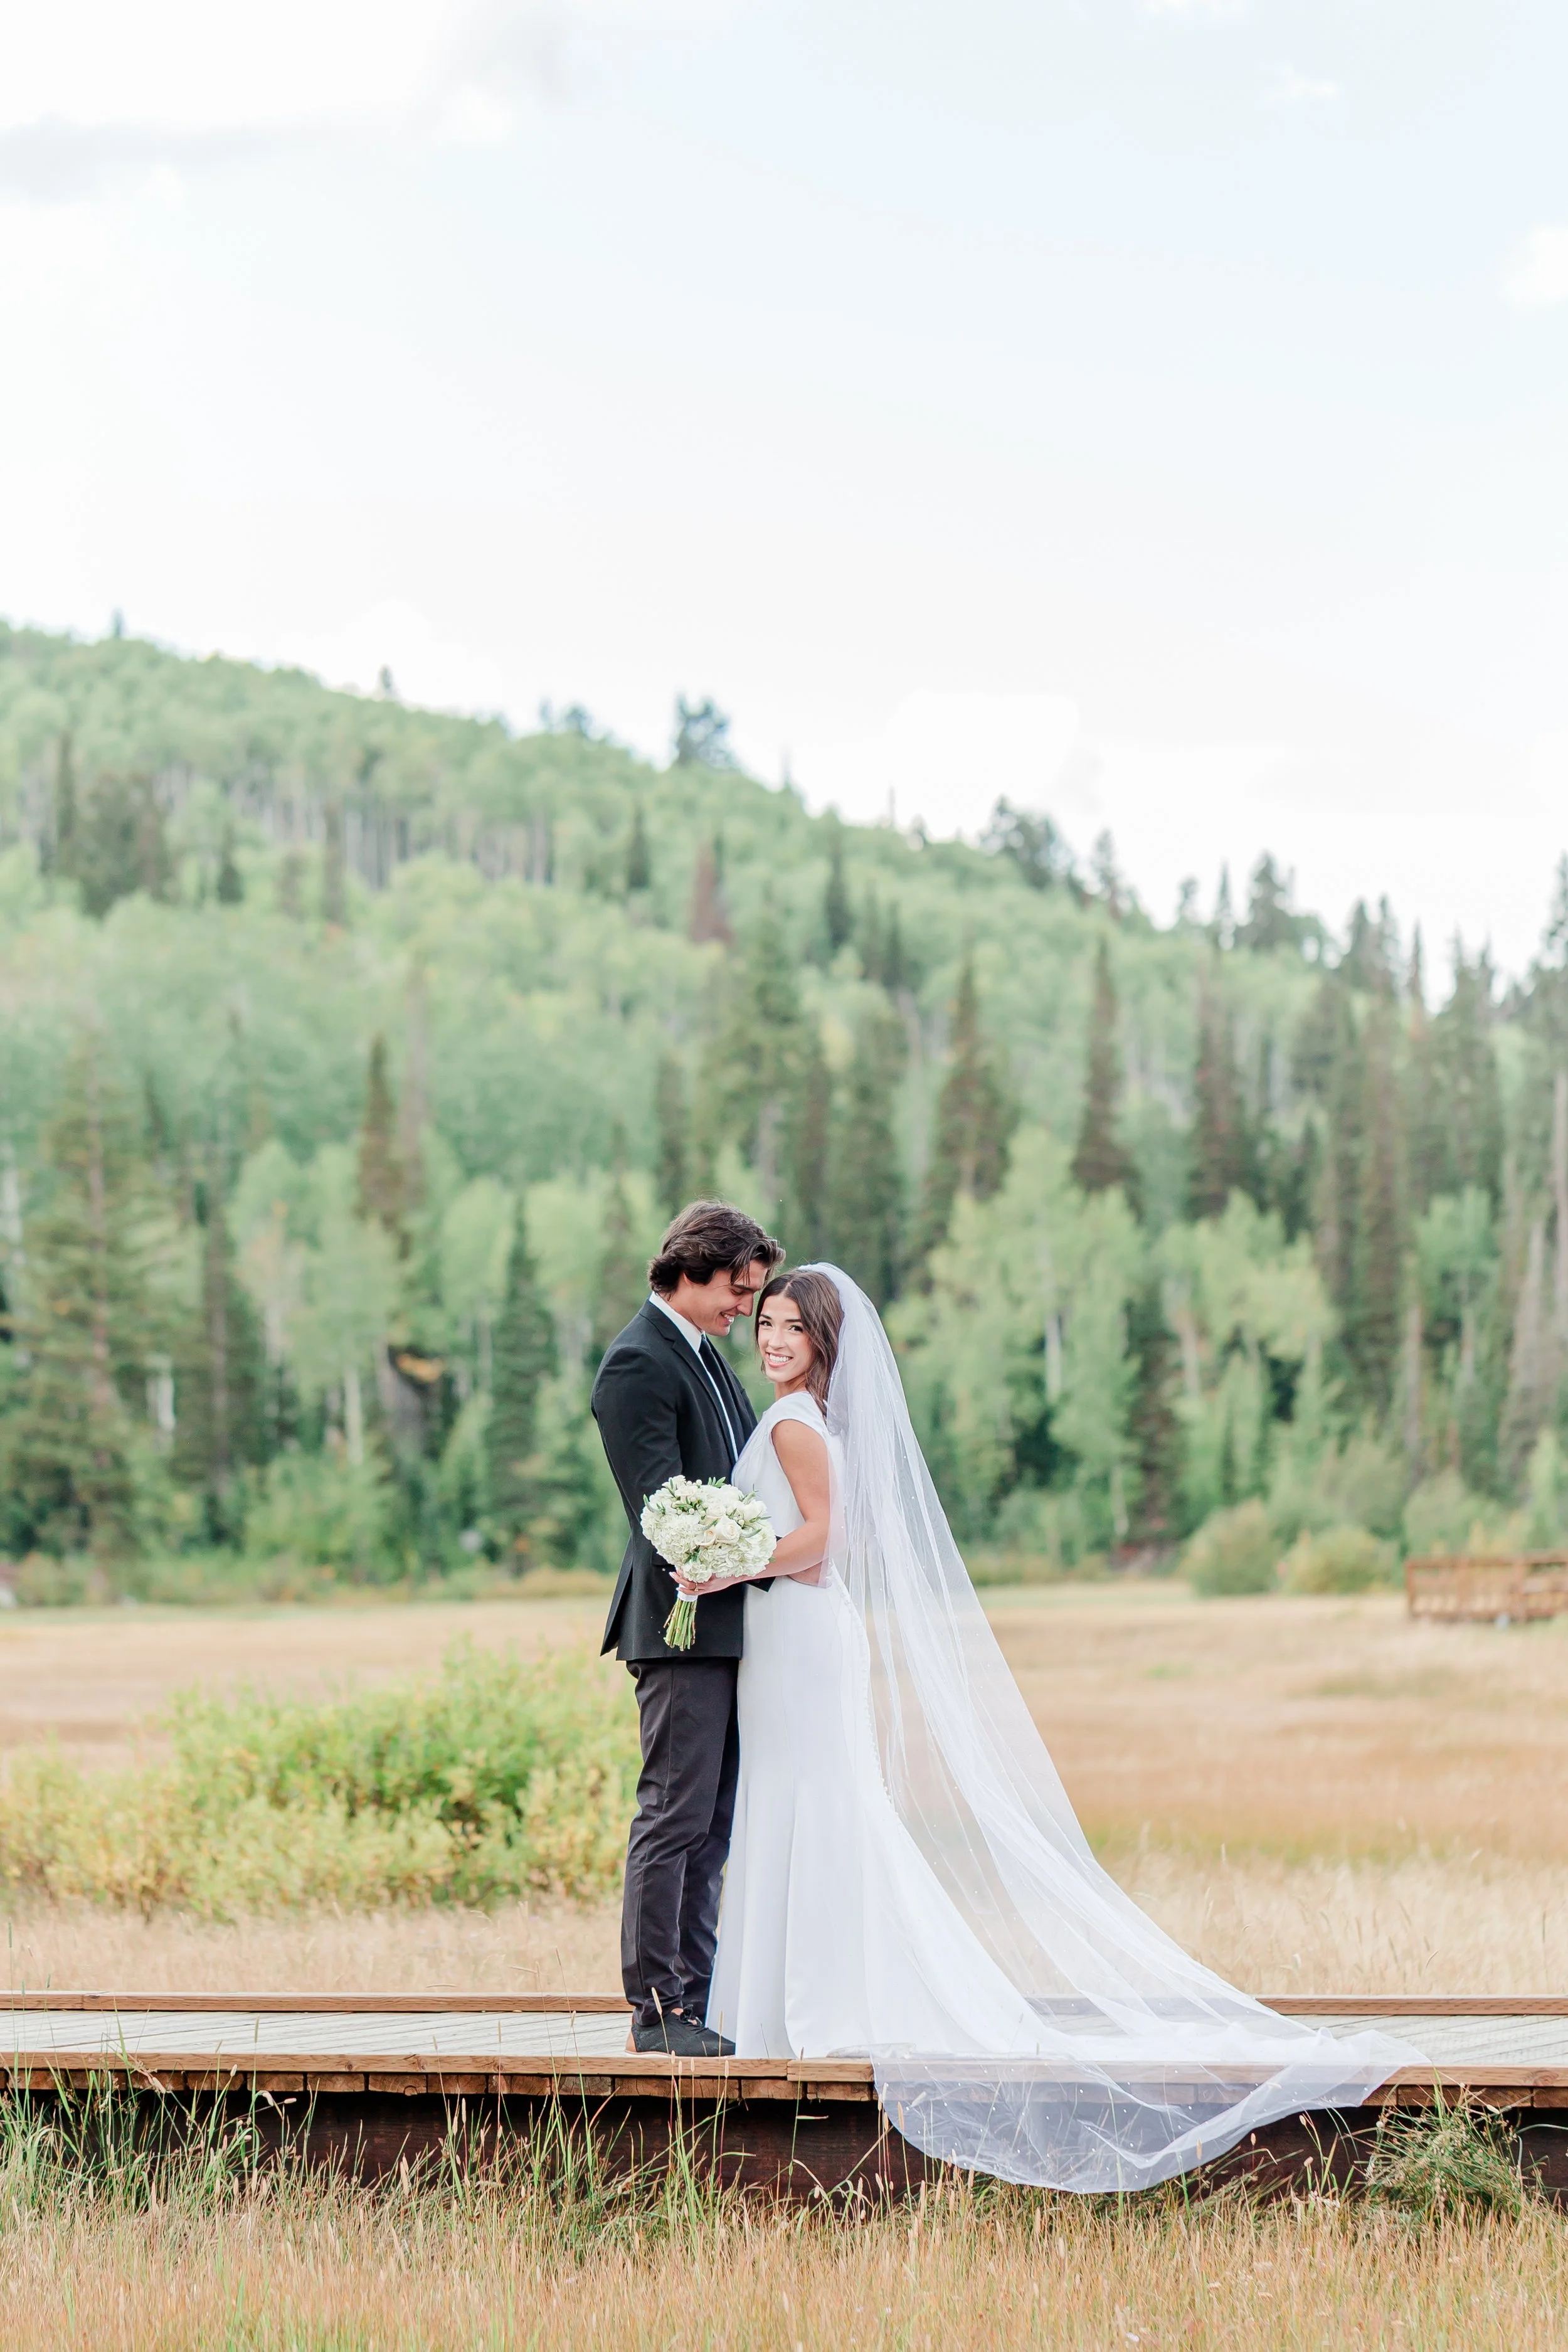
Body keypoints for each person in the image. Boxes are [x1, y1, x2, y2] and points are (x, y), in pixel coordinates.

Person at [684, 1263, 1422, 2192]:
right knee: (816, 1799)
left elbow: (825, 1540)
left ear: (824, 1341)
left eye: (792, 1327)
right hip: (799, 1641)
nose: (774, 1339)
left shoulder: (794, 1421)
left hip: (797, 1636)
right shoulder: (814, 1420)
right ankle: (804, 1995)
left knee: (815, 1799)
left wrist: (728, 1561)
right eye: (769, 1324)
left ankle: (804, 2003)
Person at [591, 1199, 784, 2057]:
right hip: (678, 1624)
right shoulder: (638, 1361)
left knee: (713, 1817)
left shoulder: (706, 1356)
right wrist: (738, 1546)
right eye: (737, 1291)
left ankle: (697, 1997)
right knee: (673, 1811)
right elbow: (663, 1507)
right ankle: (656, 2007)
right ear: (692, 1269)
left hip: (726, 1621)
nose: (744, 1308)